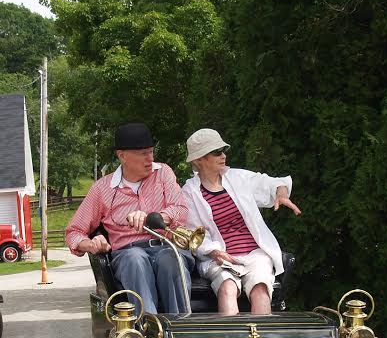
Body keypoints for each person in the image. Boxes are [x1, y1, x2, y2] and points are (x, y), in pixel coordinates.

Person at [65, 123, 194, 314]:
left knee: (170, 258)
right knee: (135, 259)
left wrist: (156, 217)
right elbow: (73, 232)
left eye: (151, 152)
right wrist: (90, 244)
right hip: (128, 253)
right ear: (122, 156)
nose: (150, 158)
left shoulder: (163, 173)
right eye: (143, 153)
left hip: (167, 245)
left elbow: (181, 210)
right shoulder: (102, 189)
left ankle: (180, 327)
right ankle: (147, 330)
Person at [183, 128, 301, 315]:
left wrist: (281, 194)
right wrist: (215, 252)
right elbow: (193, 234)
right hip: (220, 257)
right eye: (216, 152)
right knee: (227, 288)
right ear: (199, 160)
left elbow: (273, 183)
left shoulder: (238, 177)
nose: (223, 156)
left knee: (260, 289)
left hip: (254, 253)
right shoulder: (189, 192)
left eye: (223, 150)